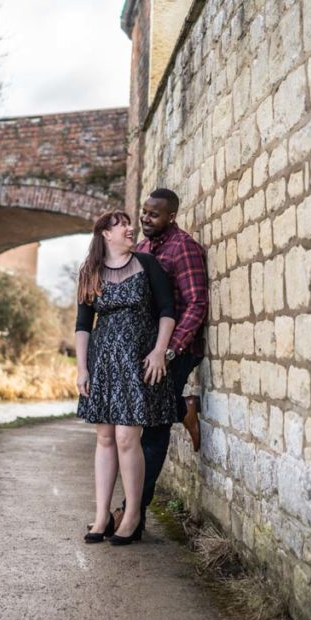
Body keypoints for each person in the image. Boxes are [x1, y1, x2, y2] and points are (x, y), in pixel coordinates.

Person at [75, 210, 177, 546]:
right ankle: (102, 515)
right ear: (105, 233)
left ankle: (132, 514)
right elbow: (82, 325)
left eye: (129, 224)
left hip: (138, 362)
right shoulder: (90, 271)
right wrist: (82, 369)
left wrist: (160, 350)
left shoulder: (147, 265)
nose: (130, 228)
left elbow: (167, 311)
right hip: (102, 363)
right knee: (104, 438)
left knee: (126, 439)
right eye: (121, 225)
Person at [124, 187, 209, 533]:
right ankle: (184, 405)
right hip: (147, 352)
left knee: (153, 431)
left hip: (177, 352)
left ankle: (134, 515)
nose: (145, 218)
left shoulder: (183, 248)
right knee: (134, 428)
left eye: (153, 214)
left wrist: (170, 352)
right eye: (144, 212)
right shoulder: (141, 249)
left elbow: (196, 304)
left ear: (171, 216)